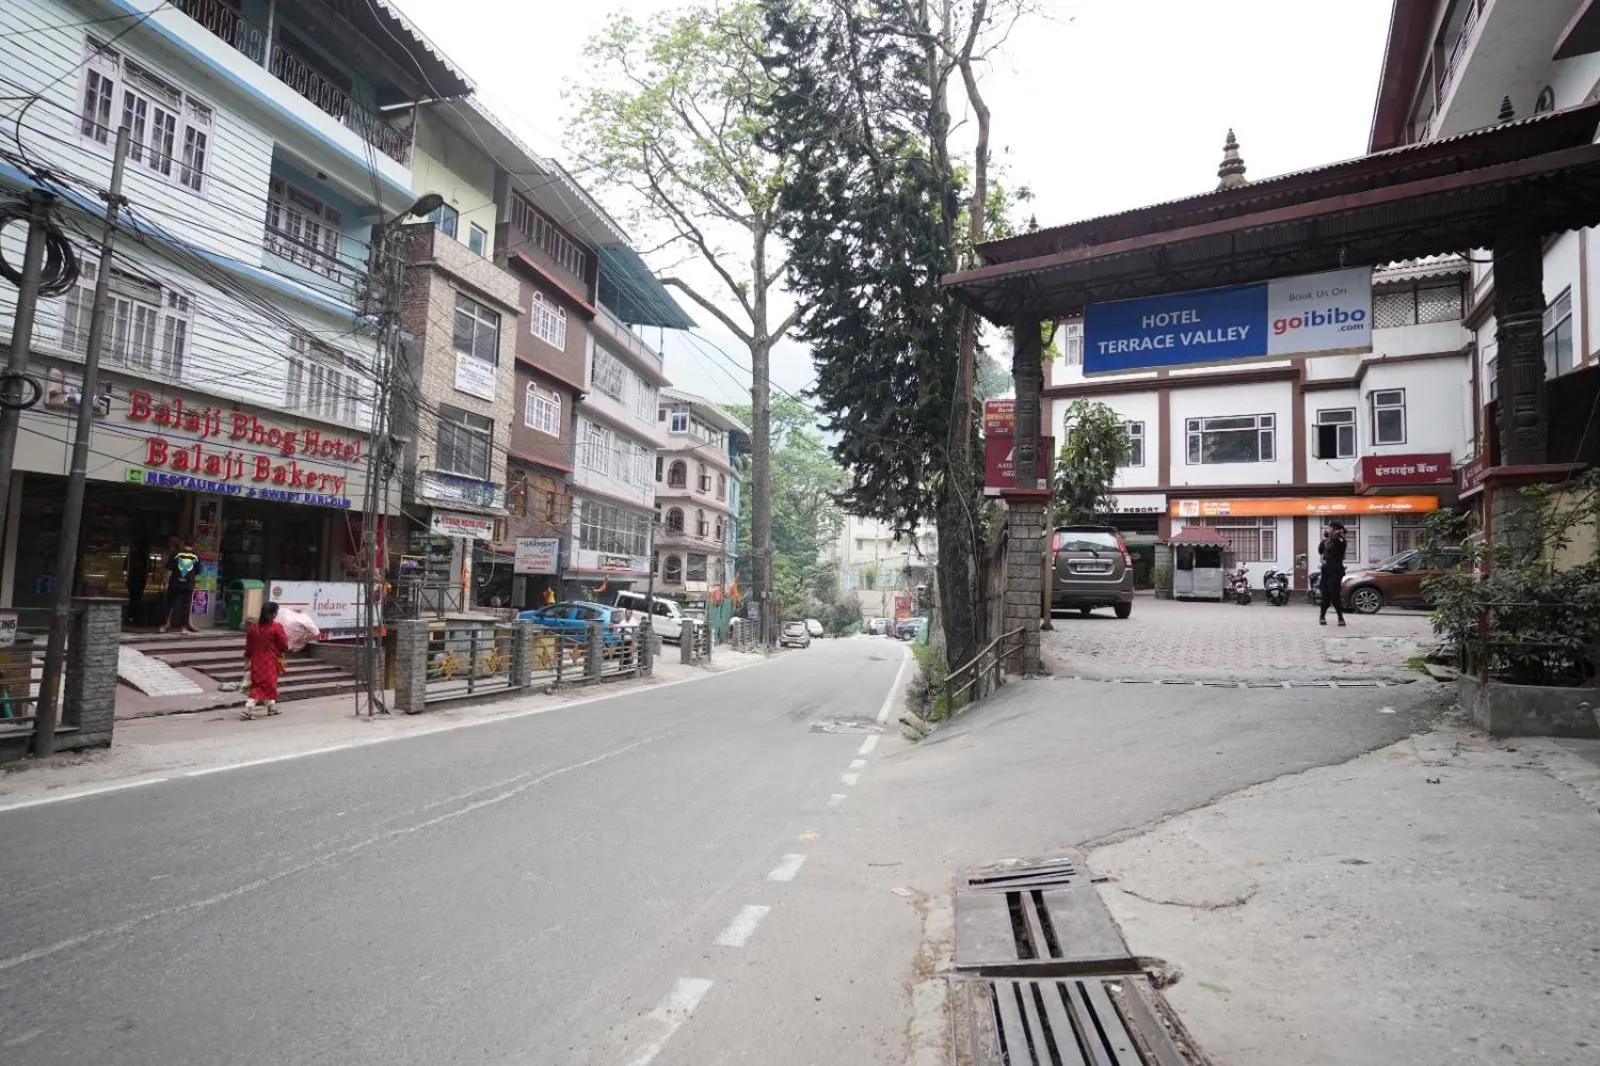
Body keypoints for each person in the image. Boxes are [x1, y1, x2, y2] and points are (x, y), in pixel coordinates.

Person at [240, 602, 289, 720]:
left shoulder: (253, 628)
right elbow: (284, 645)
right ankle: (248, 708)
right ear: (272, 614)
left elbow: (249, 647)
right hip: (270, 661)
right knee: (264, 685)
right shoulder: (276, 627)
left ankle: (271, 707)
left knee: (263, 684)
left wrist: (246, 661)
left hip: (256, 661)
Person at [160, 538, 201, 634]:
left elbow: (169, 570)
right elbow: (197, 573)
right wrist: (195, 584)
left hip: (175, 583)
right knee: (186, 607)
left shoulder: (175, 554)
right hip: (188, 585)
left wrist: (166, 582)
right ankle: (183, 628)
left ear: (183, 544)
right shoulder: (196, 556)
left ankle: (163, 626)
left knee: (169, 605)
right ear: (193, 545)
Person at [1317, 521, 1348, 627]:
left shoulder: (1341, 540)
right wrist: (1325, 540)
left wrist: (1336, 534)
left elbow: (1339, 545)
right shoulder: (1327, 541)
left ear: (1336, 530)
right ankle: (1322, 616)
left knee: (1334, 594)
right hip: (1326, 570)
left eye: (1330, 529)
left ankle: (1340, 617)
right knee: (1325, 594)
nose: (1328, 530)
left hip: (1335, 570)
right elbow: (1320, 551)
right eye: (1328, 528)